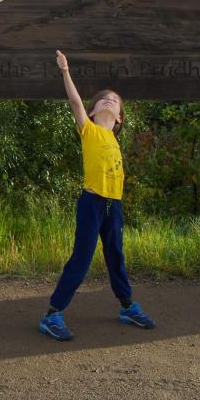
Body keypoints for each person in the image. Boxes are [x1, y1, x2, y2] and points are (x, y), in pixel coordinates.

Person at [39, 49, 156, 341]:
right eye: (103, 98)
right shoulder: (89, 131)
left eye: (114, 100)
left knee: (116, 257)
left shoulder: (114, 142)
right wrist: (65, 71)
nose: (108, 99)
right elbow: (75, 101)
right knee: (82, 258)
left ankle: (127, 306)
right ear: (92, 111)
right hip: (91, 204)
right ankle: (53, 314)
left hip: (112, 207)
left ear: (119, 120)